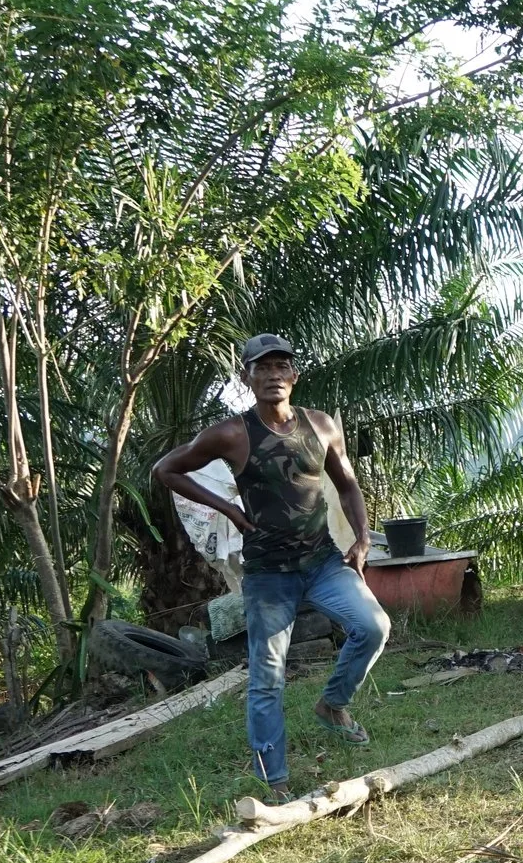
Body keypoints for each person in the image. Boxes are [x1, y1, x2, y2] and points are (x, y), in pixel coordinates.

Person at [154, 334, 388, 791]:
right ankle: (274, 779)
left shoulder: (320, 425)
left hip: (322, 562)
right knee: (267, 677)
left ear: (294, 375)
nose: (273, 374)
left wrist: (361, 539)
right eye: (262, 367)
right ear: (246, 377)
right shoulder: (231, 433)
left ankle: (332, 705)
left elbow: (347, 484)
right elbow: (166, 469)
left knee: (374, 627)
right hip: (267, 576)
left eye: (282, 365)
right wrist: (230, 511)